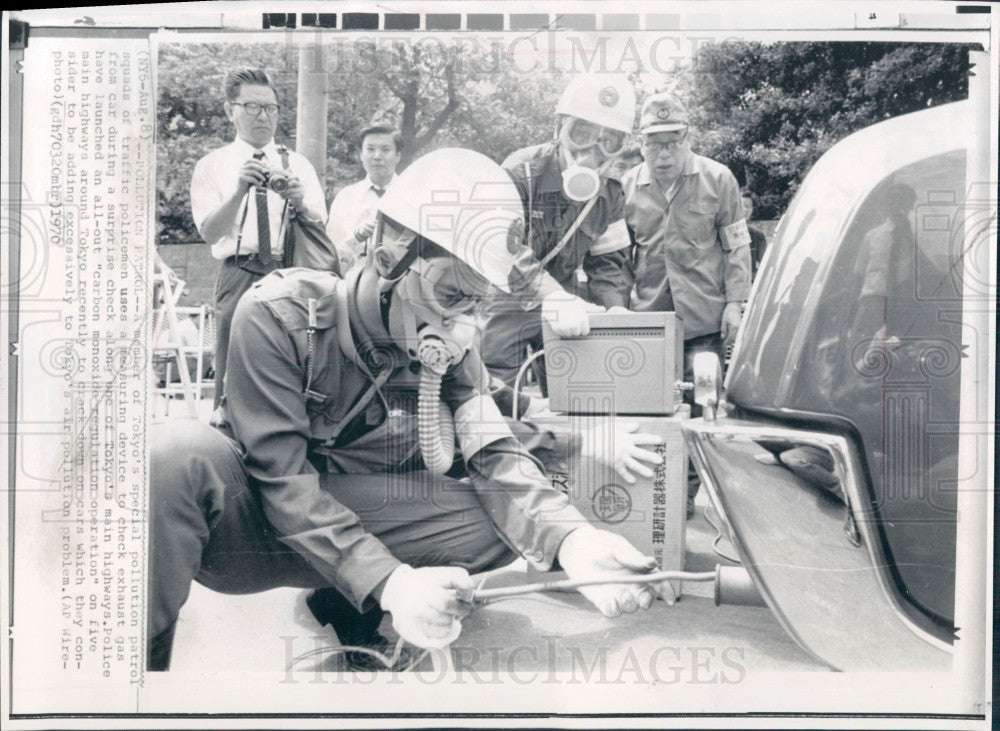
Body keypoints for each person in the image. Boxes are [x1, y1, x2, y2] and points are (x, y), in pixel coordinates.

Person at [149, 149, 669, 672]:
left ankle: (350, 598)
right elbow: (281, 482)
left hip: (346, 518)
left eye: (475, 303)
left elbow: (496, 455)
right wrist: (393, 580)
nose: (460, 321)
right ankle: (132, 677)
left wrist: (572, 541)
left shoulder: (449, 352)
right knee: (174, 457)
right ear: (388, 263)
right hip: (249, 526)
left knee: (496, 521)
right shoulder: (280, 315)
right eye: (449, 293)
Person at [622, 92, 752, 518]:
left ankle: (683, 497)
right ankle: (652, 493)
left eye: (672, 141)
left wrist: (736, 303)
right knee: (650, 410)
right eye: (654, 143)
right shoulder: (626, 186)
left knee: (701, 412)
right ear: (640, 143)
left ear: (688, 138)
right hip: (649, 321)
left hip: (704, 321)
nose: (663, 153)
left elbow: (736, 246)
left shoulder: (719, 179)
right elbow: (619, 258)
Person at [478, 75, 636, 408]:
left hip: (566, 299)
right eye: (582, 134)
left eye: (609, 140)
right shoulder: (520, 172)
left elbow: (608, 261)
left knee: (574, 390)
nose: (593, 150)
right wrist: (550, 297)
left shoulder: (610, 192)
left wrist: (615, 307)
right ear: (560, 129)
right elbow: (503, 246)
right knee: (495, 390)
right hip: (506, 297)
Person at [190, 68, 327, 407]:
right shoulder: (213, 164)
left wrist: (298, 200)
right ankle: (228, 432)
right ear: (229, 110)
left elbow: (319, 224)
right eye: (252, 107)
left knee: (293, 360)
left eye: (271, 108)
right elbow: (209, 232)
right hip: (238, 272)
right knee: (231, 364)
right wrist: (238, 191)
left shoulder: (297, 164)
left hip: (286, 272)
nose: (263, 116)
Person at [325, 124, 402, 272]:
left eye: (385, 150)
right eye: (370, 149)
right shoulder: (346, 198)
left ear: (398, 155)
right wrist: (356, 237)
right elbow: (329, 253)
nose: (377, 156)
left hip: (401, 284)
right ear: (361, 155)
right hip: (353, 284)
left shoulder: (411, 196)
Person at [740, 186, 768, 281]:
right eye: (742, 205)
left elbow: (764, 267)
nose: (745, 210)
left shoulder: (757, 236)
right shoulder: (722, 234)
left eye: (748, 206)